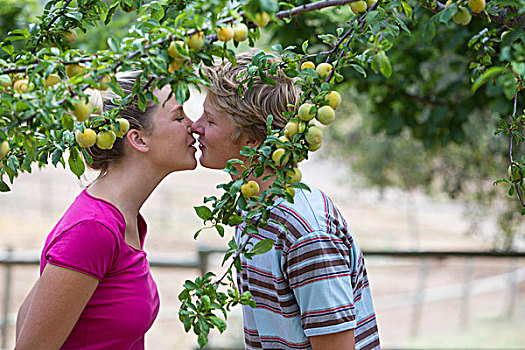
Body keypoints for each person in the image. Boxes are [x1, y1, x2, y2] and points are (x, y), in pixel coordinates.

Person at [191, 52, 380, 350]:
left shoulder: (304, 231)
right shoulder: (253, 208)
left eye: (210, 120)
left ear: (253, 142)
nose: (195, 126)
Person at [15, 71, 197, 349]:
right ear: (139, 139)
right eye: (179, 117)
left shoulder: (124, 221)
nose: (193, 126)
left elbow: (26, 314)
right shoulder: (93, 229)